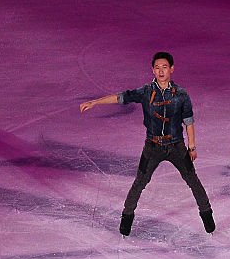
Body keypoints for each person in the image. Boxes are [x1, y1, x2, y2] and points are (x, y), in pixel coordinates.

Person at [79, 52, 215, 236]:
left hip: (176, 147)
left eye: (164, 67)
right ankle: (126, 221)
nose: (161, 71)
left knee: (193, 181)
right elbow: (122, 97)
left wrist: (192, 147)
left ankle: (208, 220)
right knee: (139, 183)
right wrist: (96, 102)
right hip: (152, 148)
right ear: (153, 70)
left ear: (172, 69)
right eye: (157, 67)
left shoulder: (182, 95)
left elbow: (189, 121)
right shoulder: (146, 92)